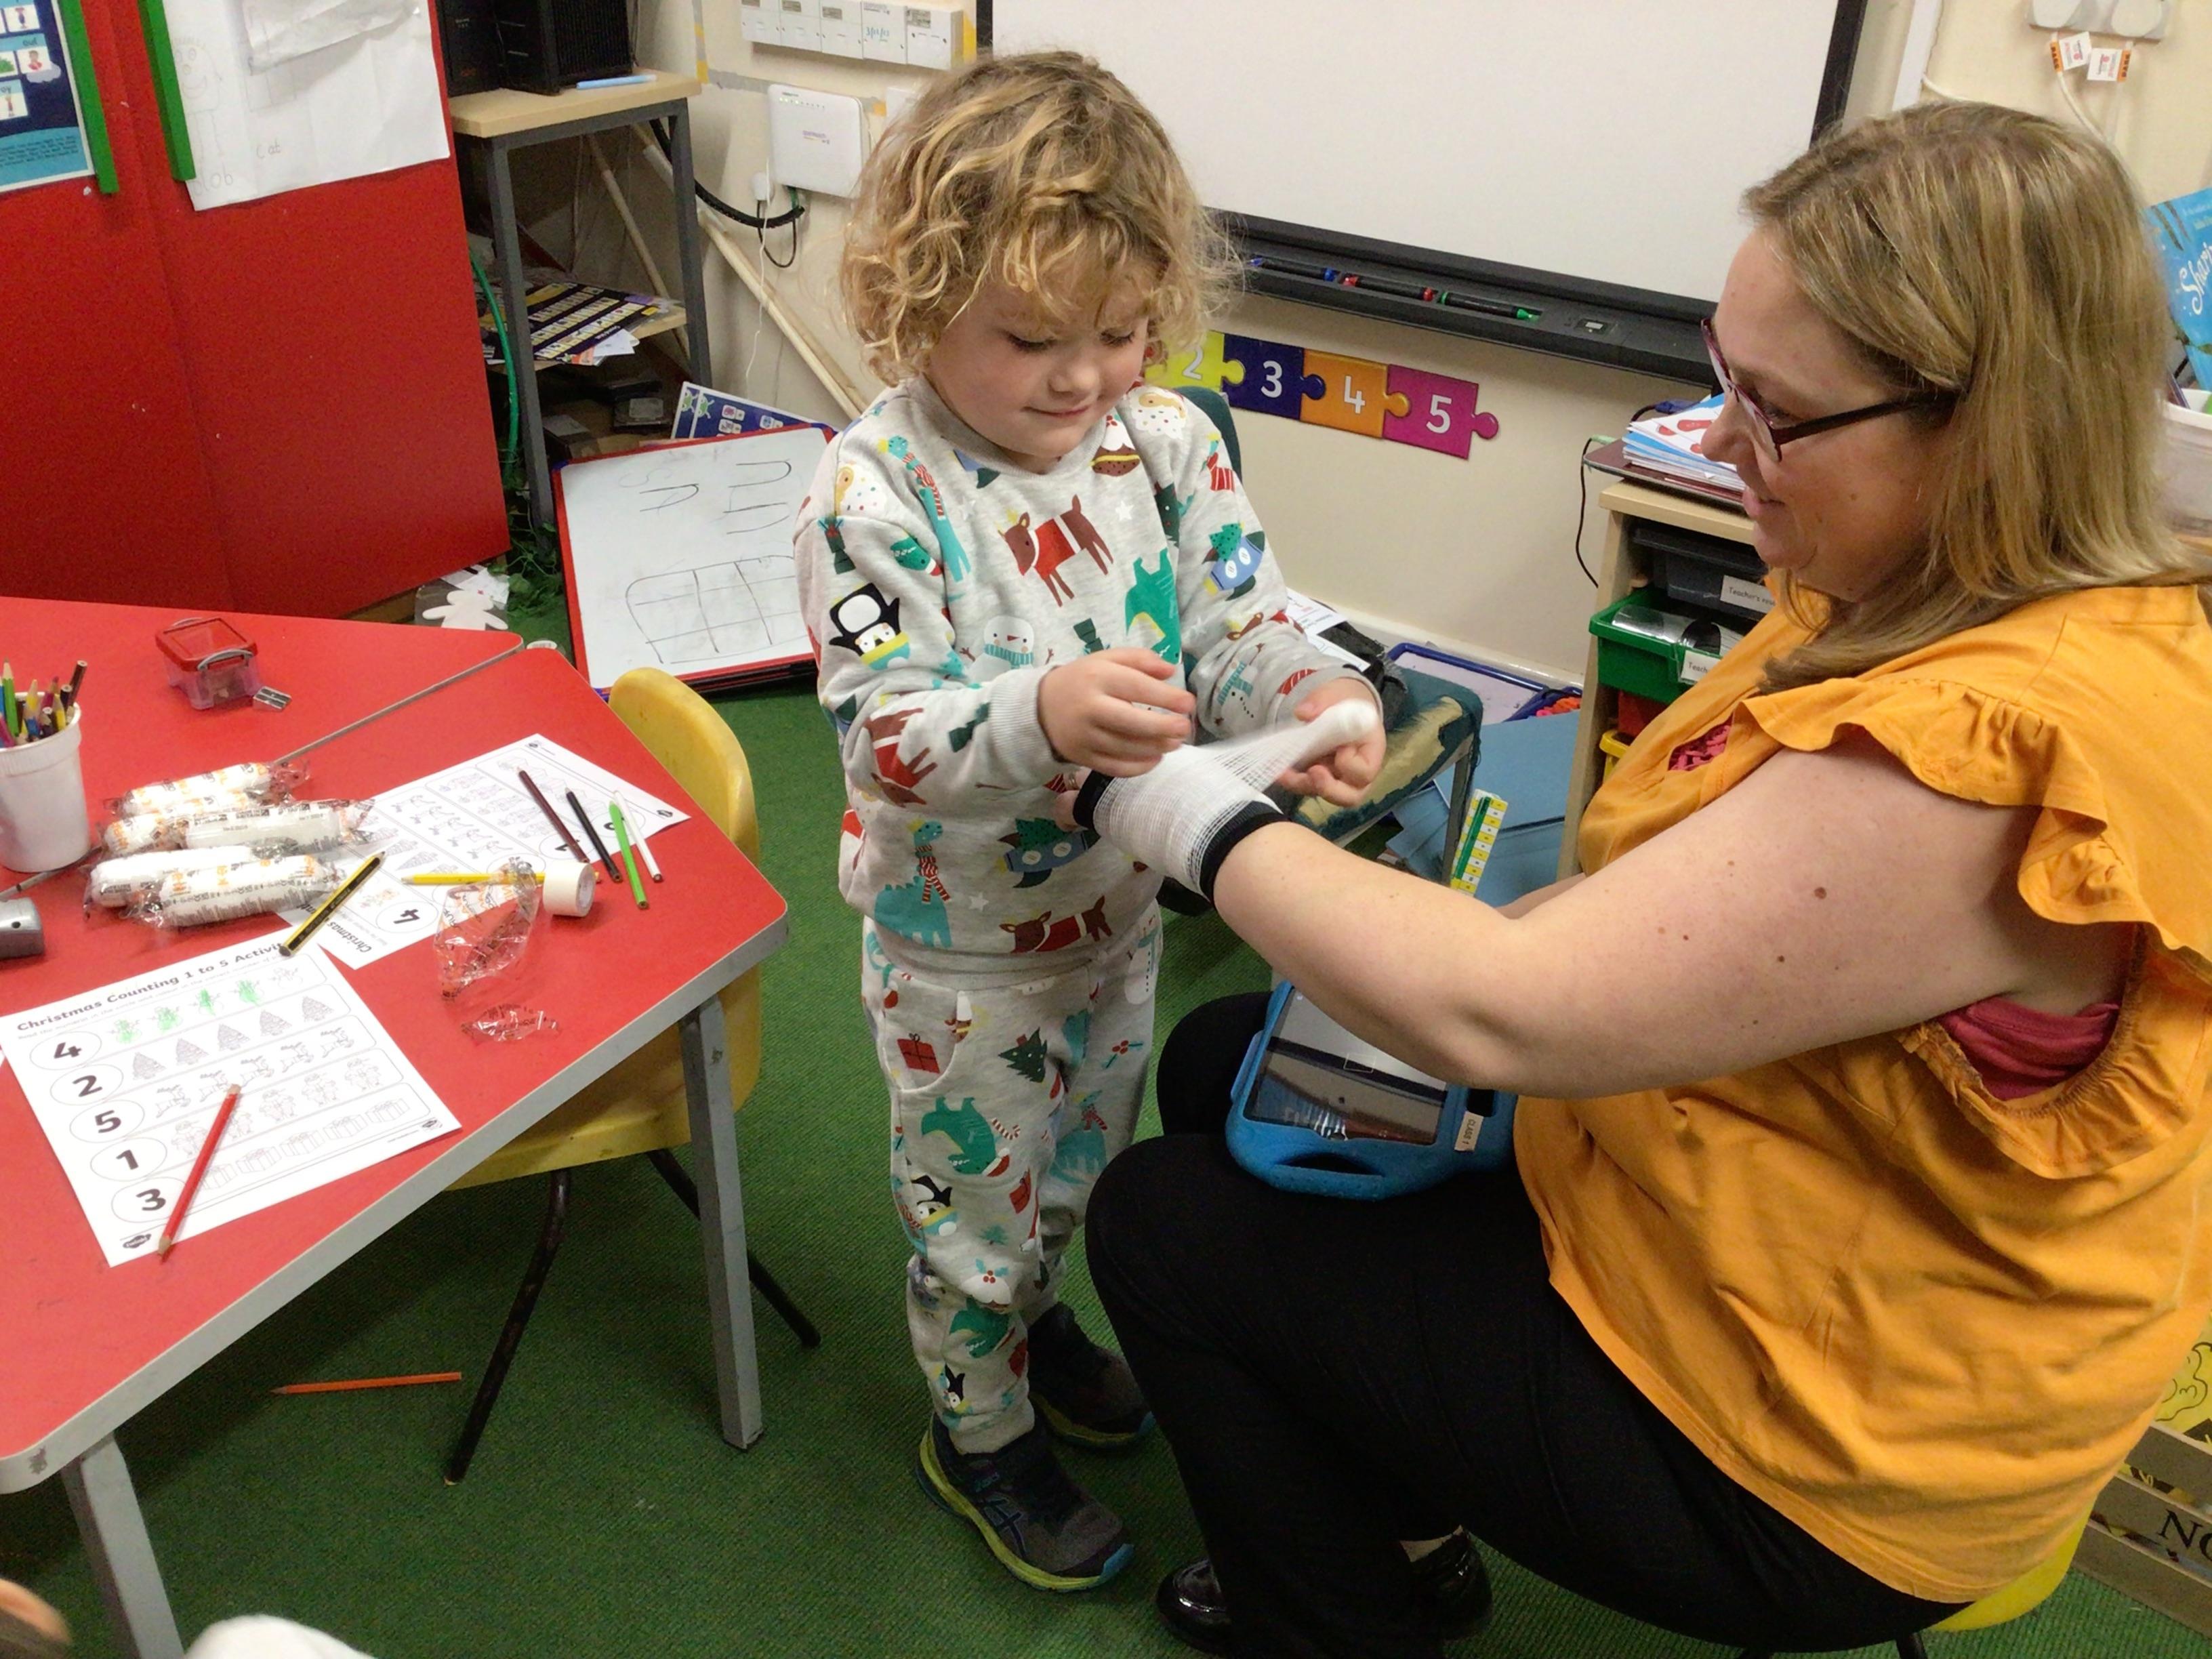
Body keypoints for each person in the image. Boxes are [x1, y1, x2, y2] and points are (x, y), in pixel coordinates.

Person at [1071, 100, 2212, 1657]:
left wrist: (1177, 812)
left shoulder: (1985, 758)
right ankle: (1406, 1536)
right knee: (1237, 1059)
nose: (1720, 442)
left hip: (1817, 1448)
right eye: (1721, 373)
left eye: (1775, 413)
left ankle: (1339, 1622)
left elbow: (1505, 1012)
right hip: (1756, 1212)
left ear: (1986, 427)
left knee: (1162, 1225)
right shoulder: (1942, 584)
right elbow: (1659, 902)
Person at [793, 50, 1384, 1595]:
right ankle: (978, 1429)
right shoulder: (874, 489)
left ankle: (1040, 1327)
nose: (1083, 379)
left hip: (1119, 918)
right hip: (961, 955)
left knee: (1077, 1178)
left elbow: (1244, 622)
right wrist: (1042, 714)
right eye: (1032, 339)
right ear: (915, 301)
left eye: (1121, 333)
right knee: (973, 1217)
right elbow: (883, 733)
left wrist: (1317, 691)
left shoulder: (1167, 443)